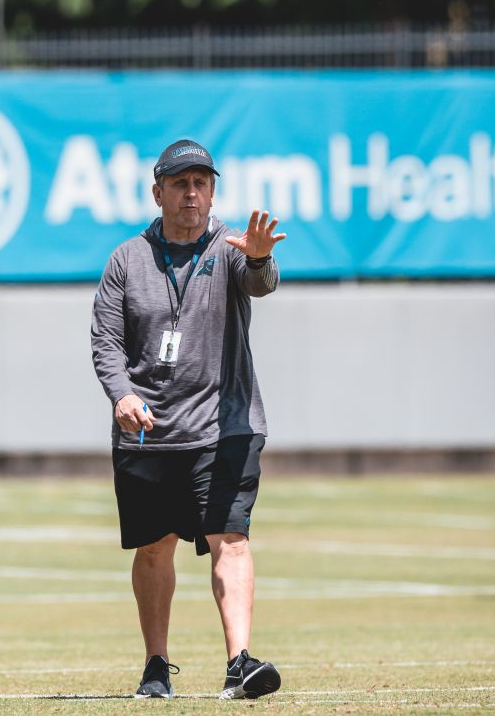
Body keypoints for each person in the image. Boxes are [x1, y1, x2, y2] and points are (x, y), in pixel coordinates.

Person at [90, 139, 286, 700]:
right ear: (158, 193)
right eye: (180, 184)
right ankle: (157, 666)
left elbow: (260, 283)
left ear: (213, 191)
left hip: (226, 426)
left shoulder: (230, 249)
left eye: (201, 182)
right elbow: (105, 341)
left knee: (232, 538)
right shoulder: (126, 259)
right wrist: (121, 395)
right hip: (148, 430)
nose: (192, 193)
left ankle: (240, 663)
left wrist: (258, 256)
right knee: (155, 547)